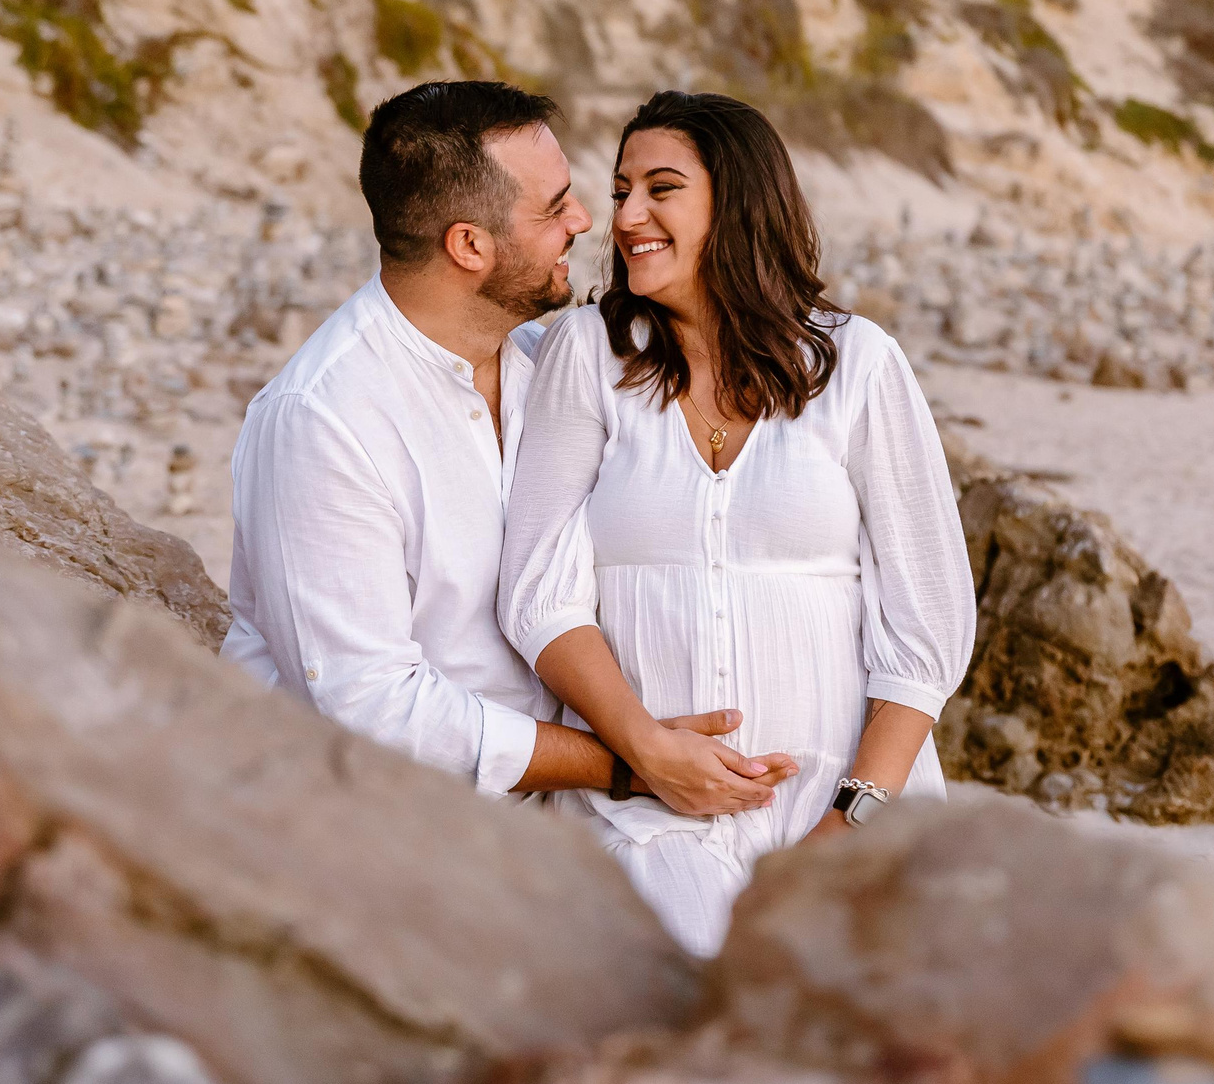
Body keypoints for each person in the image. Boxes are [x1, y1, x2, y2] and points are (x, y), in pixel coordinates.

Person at [222, 80, 799, 808]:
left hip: (567, 807)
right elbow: (372, 707)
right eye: (556, 207)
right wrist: (630, 762)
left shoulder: (551, 364)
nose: (590, 220)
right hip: (382, 826)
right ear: (470, 245)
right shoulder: (323, 420)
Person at [499, 90, 975, 955]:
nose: (628, 214)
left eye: (661, 187)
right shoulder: (587, 358)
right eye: (620, 189)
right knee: (707, 1000)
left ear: (739, 203)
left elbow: (929, 626)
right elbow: (538, 594)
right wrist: (644, 750)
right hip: (653, 814)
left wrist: (849, 823)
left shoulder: (857, 364)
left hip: (846, 806)